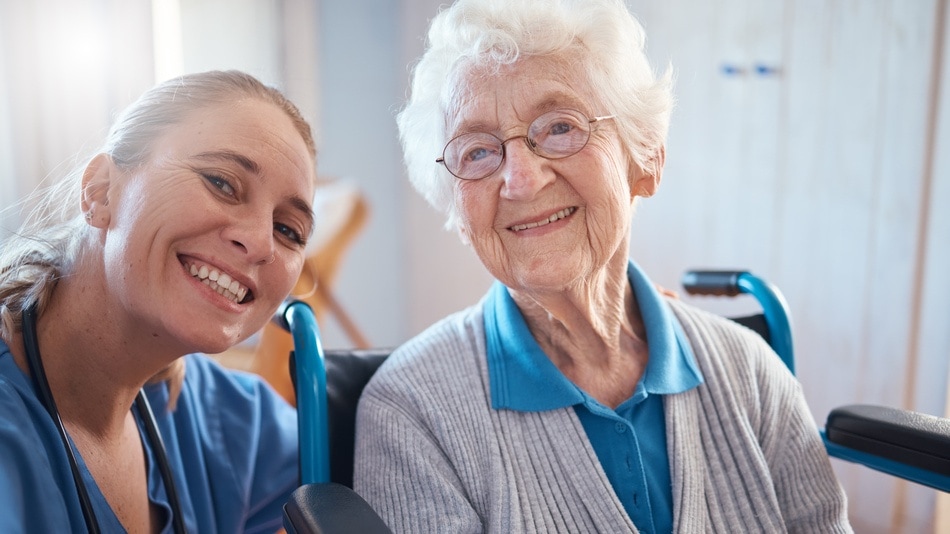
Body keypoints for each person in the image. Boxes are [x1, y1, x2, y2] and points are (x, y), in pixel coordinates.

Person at [353, 0, 853, 532]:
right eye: (477, 152)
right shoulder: (410, 413)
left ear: (646, 159)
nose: (521, 179)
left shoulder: (750, 373)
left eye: (560, 127)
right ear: (457, 211)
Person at [0, 70, 316, 532]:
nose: (260, 242)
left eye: (288, 230)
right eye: (221, 183)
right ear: (102, 191)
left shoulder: (223, 422)